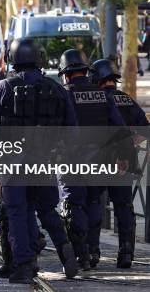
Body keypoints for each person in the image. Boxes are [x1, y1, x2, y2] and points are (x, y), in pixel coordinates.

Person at [0, 38, 78, 283]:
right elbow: (71, 125)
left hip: (13, 162)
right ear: (39, 58)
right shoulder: (56, 87)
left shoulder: (5, 86)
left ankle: (25, 266)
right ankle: (65, 250)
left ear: (12, 58)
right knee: (46, 209)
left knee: (17, 211)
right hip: (43, 160)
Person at [58, 49, 126, 270]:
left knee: (73, 205)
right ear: (86, 71)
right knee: (94, 202)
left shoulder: (64, 93)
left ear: (66, 73)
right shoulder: (102, 94)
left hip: (72, 159)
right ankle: (94, 250)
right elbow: (119, 128)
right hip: (100, 158)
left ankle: (82, 254)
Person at [89, 58, 145, 268]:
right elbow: (143, 129)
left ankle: (92, 251)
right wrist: (130, 146)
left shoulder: (95, 100)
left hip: (100, 161)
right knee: (124, 207)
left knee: (95, 203)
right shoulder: (126, 99)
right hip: (125, 163)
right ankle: (126, 253)